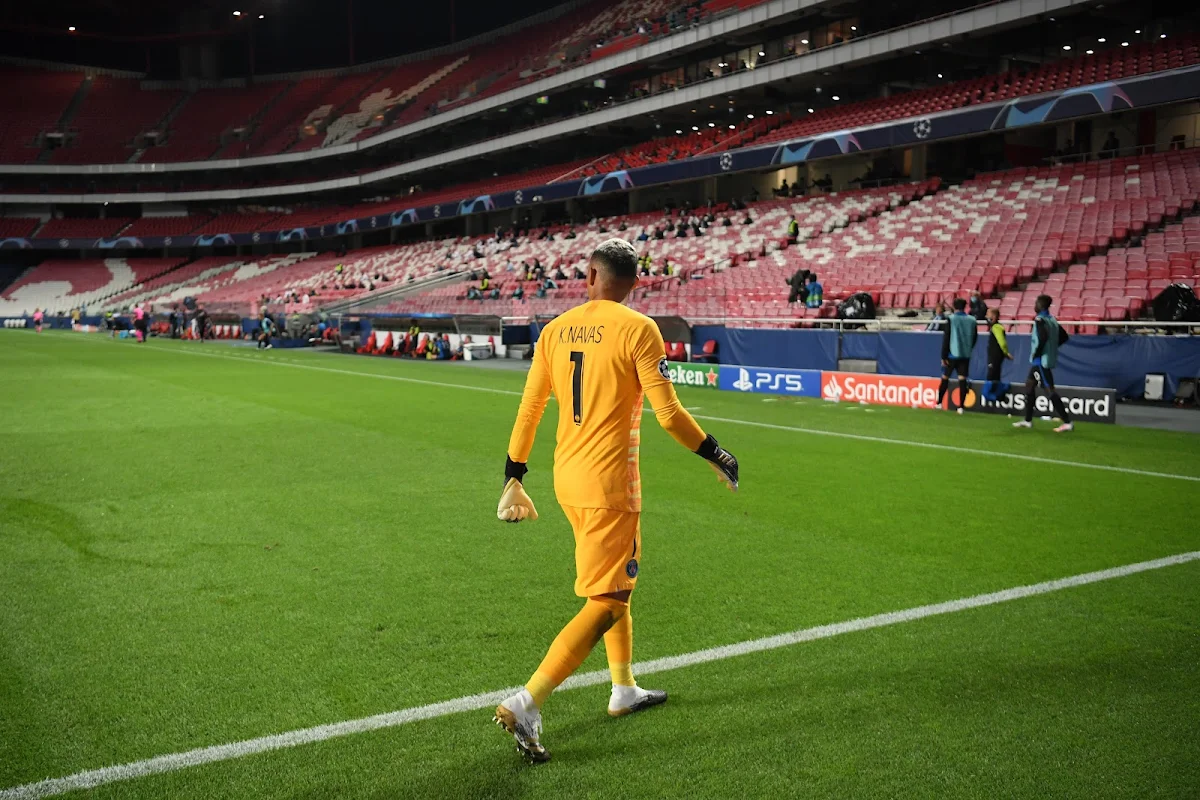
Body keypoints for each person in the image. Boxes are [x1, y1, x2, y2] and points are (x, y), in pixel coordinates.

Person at [492, 238, 740, 763]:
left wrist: (514, 474)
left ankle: (623, 689)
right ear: (634, 283)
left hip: (567, 480)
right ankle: (528, 701)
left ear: (590, 276)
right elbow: (669, 414)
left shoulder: (555, 330)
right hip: (610, 485)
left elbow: (531, 406)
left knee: (616, 588)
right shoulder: (638, 328)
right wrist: (716, 451)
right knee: (606, 601)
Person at [1013, 295, 1074, 433]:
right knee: (1029, 387)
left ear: (1040, 305)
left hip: (1040, 361)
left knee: (1049, 390)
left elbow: (1043, 337)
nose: (1034, 305)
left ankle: (1067, 422)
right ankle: (1027, 420)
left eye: (1036, 303)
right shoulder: (1051, 320)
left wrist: (1038, 352)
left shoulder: (1040, 320)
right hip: (1041, 361)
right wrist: (1052, 347)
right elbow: (1064, 336)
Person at [937, 298, 978, 413]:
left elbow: (947, 338)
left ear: (954, 307)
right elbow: (975, 337)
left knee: (945, 378)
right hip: (965, 354)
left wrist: (943, 356)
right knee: (962, 379)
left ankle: (939, 403)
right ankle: (961, 407)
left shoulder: (951, 319)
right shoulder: (972, 320)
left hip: (952, 354)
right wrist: (969, 348)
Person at [983, 308, 1013, 401]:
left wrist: (1006, 353)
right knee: (996, 376)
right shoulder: (996, 327)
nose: (986, 316)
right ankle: (1000, 393)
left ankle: (995, 394)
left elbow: (1002, 342)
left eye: (988, 314)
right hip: (996, 356)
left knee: (991, 376)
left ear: (994, 317)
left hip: (994, 356)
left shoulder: (996, 327)